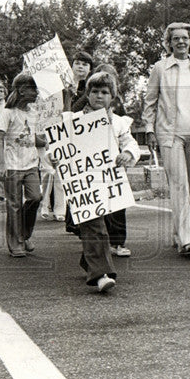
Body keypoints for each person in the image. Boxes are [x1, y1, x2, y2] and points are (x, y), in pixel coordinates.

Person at [142, 22, 190, 256]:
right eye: (175, 38)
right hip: (170, 132)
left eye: (185, 38)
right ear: (169, 42)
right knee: (179, 185)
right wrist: (149, 129)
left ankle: (181, 234)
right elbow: (150, 101)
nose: (181, 42)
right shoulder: (160, 68)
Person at [66, 70, 139, 292]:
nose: (99, 96)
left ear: (112, 97)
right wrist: (56, 156)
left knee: (102, 225)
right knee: (95, 226)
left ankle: (88, 261)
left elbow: (130, 143)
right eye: (95, 91)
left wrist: (127, 153)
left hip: (109, 182)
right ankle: (101, 274)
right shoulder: (74, 120)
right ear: (87, 94)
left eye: (105, 92)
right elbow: (60, 146)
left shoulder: (118, 122)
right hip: (84, 183)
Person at [0, 72, 45, 257]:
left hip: (31, 164)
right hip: (12, 165)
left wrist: (48, 140)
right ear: (22, 90)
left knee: (35, 198)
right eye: (33, 88)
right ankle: (15, 243)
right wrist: (1, 163)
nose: (37, 92)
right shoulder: (8, 113)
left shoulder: (34, 113)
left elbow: (34, 138)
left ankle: (24, 234)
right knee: (14, 204)